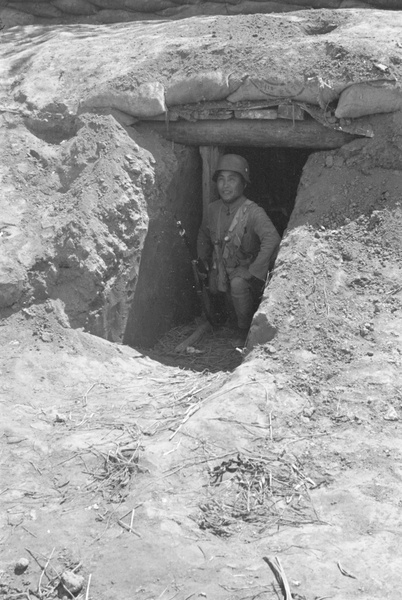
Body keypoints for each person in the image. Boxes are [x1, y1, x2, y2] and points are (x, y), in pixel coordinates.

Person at [197, 154, 281, 346]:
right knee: (211, 284)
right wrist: (204, 263)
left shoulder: (253, 212)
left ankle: (243, 329)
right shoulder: (212, 209)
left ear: (243, 184)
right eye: (221, 179)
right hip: (220, 270)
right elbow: (203, 234)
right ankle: (222, 321)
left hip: (244, 275)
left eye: (232, 179)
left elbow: (272, 239)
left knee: (237, 284)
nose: (225, 185)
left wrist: (252, 271)